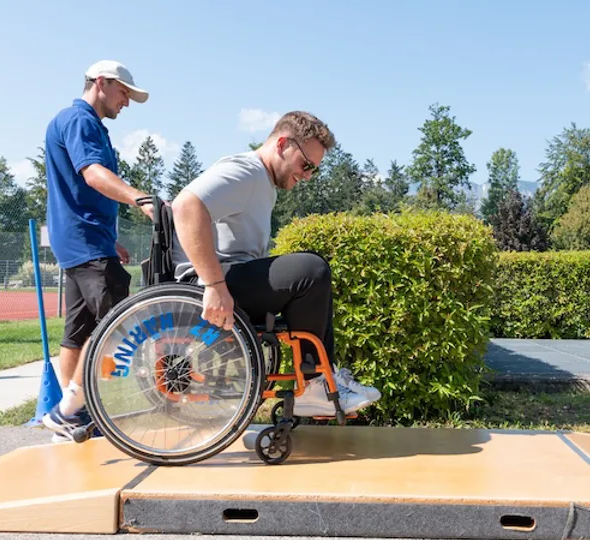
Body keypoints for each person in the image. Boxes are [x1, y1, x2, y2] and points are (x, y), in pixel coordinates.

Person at [170, 111, 380, 417]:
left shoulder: (262, 182)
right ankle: (312, 385)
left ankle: (323, 376)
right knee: (311, 271)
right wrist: (213, 286)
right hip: (207, 286)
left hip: (228, 278)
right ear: (282, 144)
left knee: (315, 274)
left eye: (314, 171)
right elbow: (186, 206)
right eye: (305, 165)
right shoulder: (245, 171)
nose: (307, 175)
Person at [41, 60, 154, 442]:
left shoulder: (89, 125)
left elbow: (84, 192)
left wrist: (110, 238)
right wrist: (140, 199)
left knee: (78, 331)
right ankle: (68, 409)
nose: (127, 102)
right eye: (124, 93)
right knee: (113, 326)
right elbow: (92, 174)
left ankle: (70, 417)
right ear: (102, 83)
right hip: (85, 241)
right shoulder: (80, 121)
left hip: (85, 240)